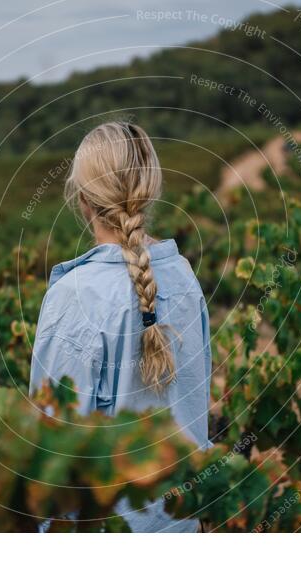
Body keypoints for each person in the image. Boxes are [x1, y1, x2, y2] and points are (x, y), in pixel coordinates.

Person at [29, 121, 212, 532]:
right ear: (151, 191)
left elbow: (52, 452)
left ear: (83, 201)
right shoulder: (183, 277)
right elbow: (195, 409)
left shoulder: (74, 296)